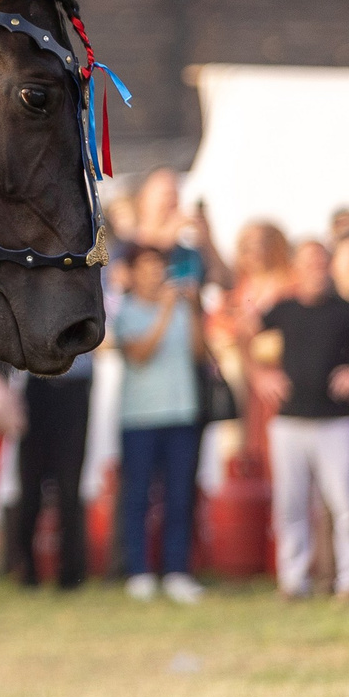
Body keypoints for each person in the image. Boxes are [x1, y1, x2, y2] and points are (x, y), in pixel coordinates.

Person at [258, 239, 349, 599]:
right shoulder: (282, 309)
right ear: (297, 268)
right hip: (290, 421)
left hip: (339, 420)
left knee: (348, 504)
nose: (316, 270)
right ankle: (293, 580)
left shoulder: (348, 311)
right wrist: (260, 375)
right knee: (291, 505)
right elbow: (243, 332)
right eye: (309, 263)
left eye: (321, 263)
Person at [109, 245, 203, 602]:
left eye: (159, 267)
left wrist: (191, 310)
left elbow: (198, 353)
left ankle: (177, 570)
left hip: (181, 414)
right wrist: (165, 311)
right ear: (132, 273)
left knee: (180, 496)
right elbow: (140, 354)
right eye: (146, 268)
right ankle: (139, 571)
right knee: (138, 497)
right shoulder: (126, 311)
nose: (154, 274)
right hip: (140, 418)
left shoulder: (182, 308)